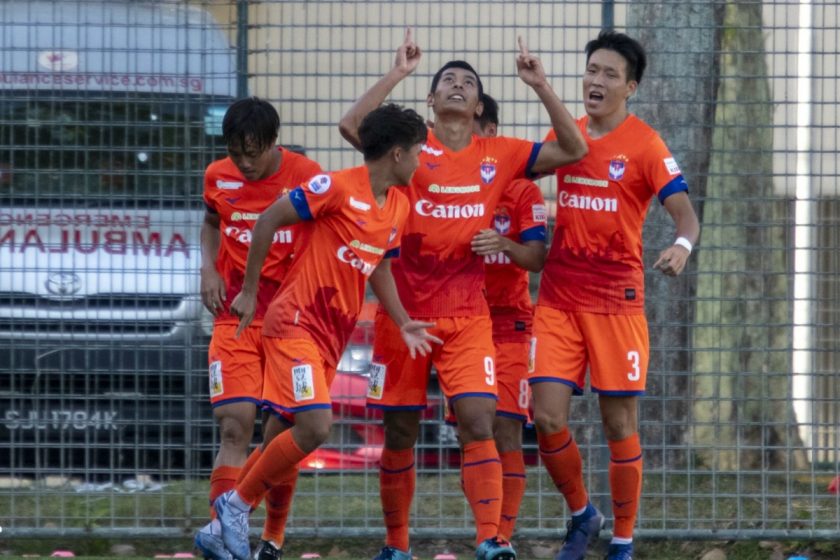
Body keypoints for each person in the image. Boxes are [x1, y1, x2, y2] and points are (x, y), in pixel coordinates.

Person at [338, 29, 587, 560]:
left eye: (467, 82)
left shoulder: (498, 154)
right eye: (446, 79)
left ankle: (491, 541)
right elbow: (352, 126)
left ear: (477, 107)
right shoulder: (408, 148)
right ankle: (397, 546)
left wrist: (540, 84)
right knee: (400, 431)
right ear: (431, 101)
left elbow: (575, 148)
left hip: (468, 316)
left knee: (480, 421)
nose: (457, 84)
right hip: (402, 314)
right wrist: (398, 73)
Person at [212, 103, 440, 560]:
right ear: (397, 154)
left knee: (282, 433)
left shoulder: (397, 204)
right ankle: (234, 508)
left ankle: (234, 533)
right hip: (294, 322)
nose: (422, 160)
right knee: (316, 427)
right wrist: (251, 292)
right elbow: (267, 220)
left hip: (329, 337)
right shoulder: (334, 186)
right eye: (419, 151)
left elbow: (377, 268)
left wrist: (401, 320)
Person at [529, 31, 700, 560]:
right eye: (591, 70)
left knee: (617, 423)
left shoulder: (646, 144)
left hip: (616, 302)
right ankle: (583, 515)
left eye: (608, 74)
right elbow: (518, 174)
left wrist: (682, 245)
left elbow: (686, 214)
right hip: (558, 298)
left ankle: (622, 542)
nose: (595, 81)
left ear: (631, 86)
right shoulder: (568, 134)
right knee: (547, 417)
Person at [195, 97, 323, 560]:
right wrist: (208, 270)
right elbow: (211, 223)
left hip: (289, 322)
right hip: (234, 316)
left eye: (254, 151)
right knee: (235, 426)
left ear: (274, 142)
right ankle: (224, 540)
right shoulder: (217, 176)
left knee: (279, 435)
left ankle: (271, 538)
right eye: (236, 152)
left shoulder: (307, 175)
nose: (245, 163)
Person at [470, 93, 548, 542]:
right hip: (467, 325)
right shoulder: (451, 185)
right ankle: (485, 534)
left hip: (512, 326)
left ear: (492, 135)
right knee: (474, 434)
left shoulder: (521, 189)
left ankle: (501, 540)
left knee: (506, 430)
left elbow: (537, 257)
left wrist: (504, 246)